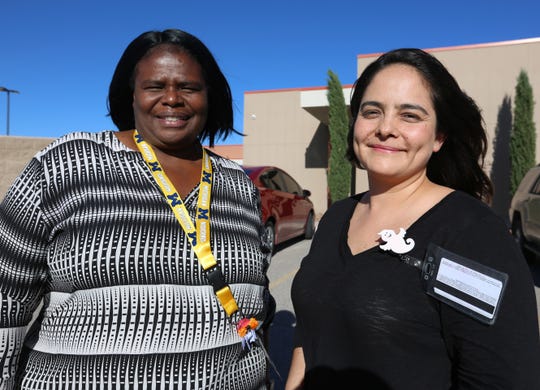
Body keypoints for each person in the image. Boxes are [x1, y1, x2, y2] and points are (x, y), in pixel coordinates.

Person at [0, 29, 274, 389]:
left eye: (189, 87)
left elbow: (256, 303)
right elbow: (7, 298)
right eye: (155, 86)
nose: (172, 99)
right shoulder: (67, 165)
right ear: (130, 96)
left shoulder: (237, 184)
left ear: (210, 97)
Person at [285, 48, 540, 389]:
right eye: (371, 111)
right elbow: (310, 329)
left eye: (410, 115)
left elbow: (501, 379)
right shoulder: (336, 218)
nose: (385, 128)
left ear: (439, 137)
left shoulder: (474, 234)